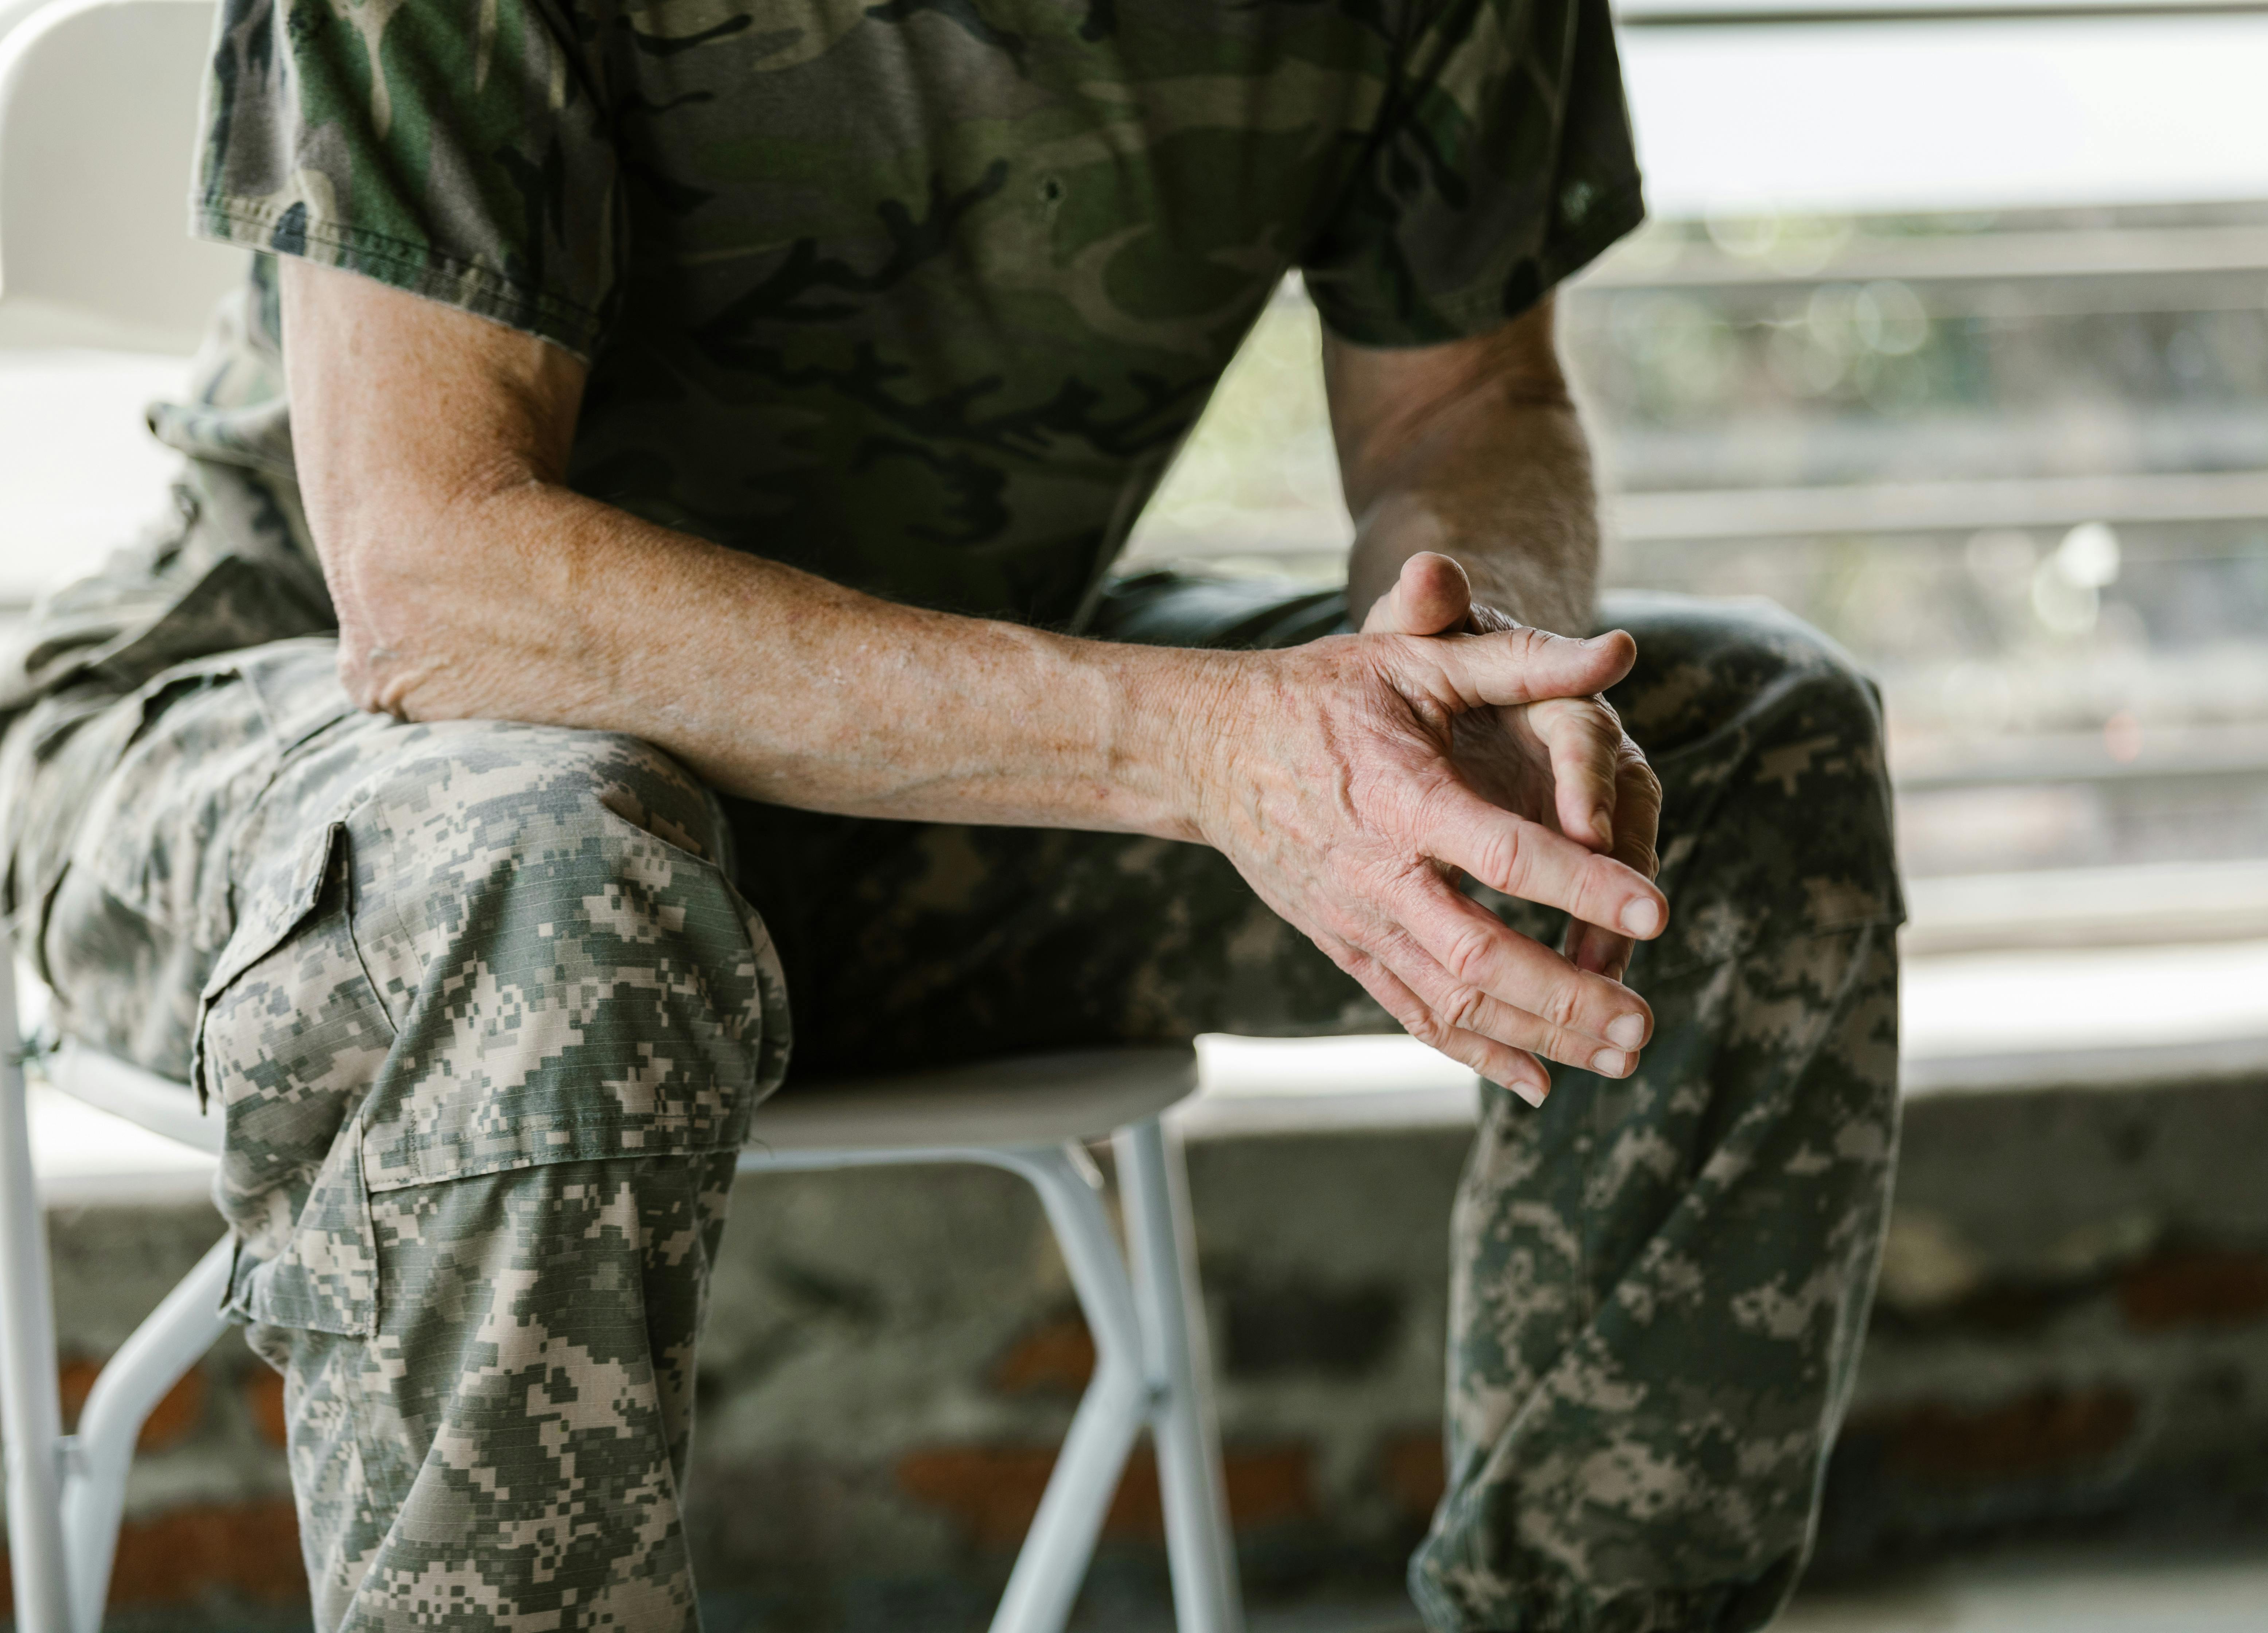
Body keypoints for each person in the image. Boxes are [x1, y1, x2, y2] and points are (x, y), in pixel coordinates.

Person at [0, 0, 1903, 1627]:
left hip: (934, 750)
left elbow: (1464, 399)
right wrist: (1205, 752)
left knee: (1744, 753)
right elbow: (437, 582)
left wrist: (1468, 654)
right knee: (551, 858)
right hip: (306, 717)